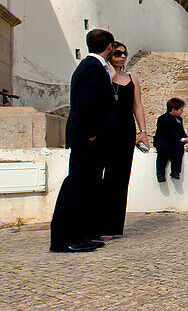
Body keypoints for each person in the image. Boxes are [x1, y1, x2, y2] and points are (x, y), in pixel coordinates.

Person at [50, 29, 117, 252]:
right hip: (87, 139)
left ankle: (82, 234)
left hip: (90, 138)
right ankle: (65, 239)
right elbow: (87, 104)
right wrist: (92, 133)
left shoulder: (90, 67)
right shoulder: (92, 69)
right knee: (77, 186)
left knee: (89, 187)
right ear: (109, 47)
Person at [99, 42, 148, 241]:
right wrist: (110, 73)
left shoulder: (132, 79)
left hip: (125, 130)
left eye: (124, 53)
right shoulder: (103, 77)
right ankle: (95, 224)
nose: (122, 56)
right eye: (118, 53)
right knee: (102, 177)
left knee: (120, 178)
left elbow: (138, 107)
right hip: (105, 130)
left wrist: (143, 131)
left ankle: (113, 226)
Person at [154, 97, 188, 182]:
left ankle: (175, 171)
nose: (182, 112)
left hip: (174, 140)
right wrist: (182, 139)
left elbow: (181, 131)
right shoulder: (163, 119)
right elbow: (167, 133)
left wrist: (186, 138)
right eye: (180, 110)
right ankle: (160, 174)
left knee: (179, 148)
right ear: (173, 110)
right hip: (163, 140)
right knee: (163, 150)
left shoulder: (179, 119)